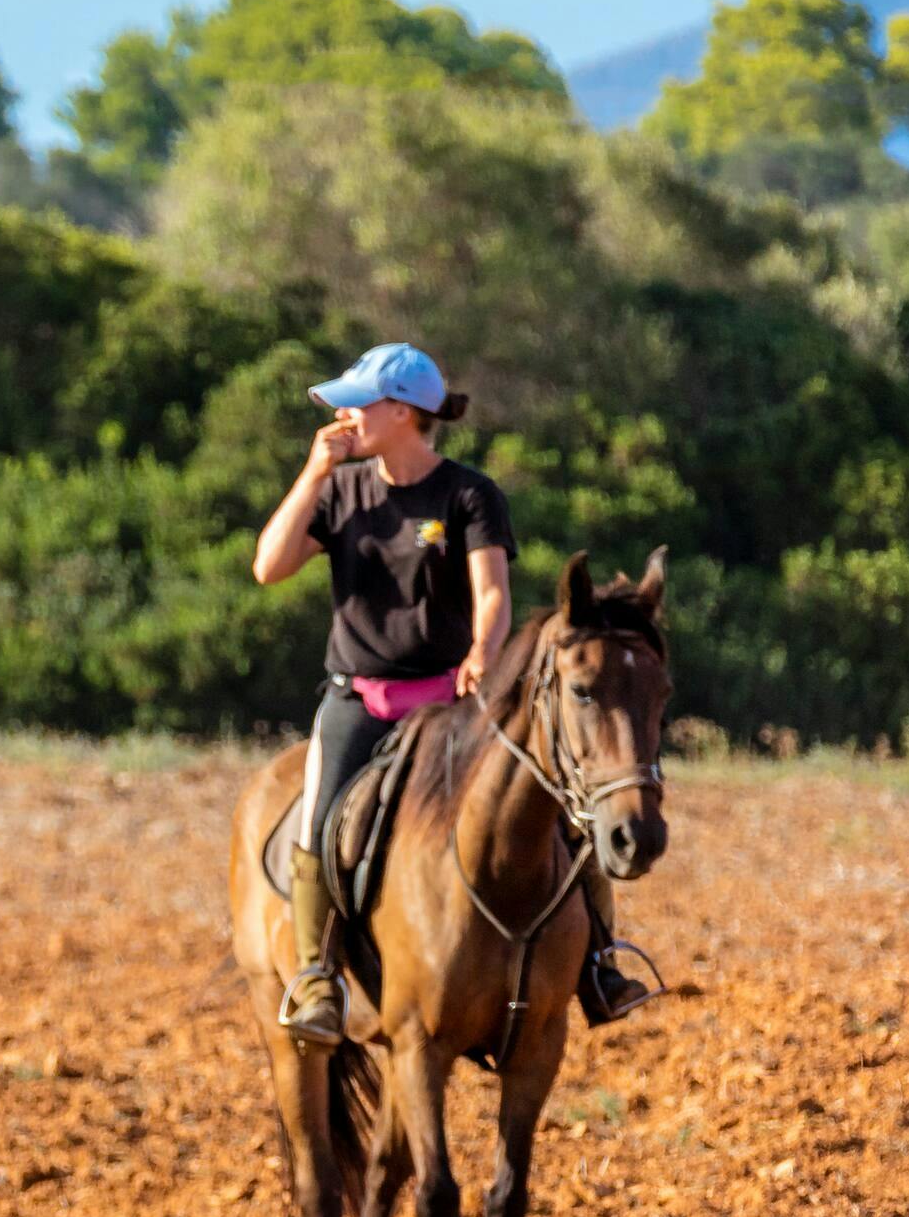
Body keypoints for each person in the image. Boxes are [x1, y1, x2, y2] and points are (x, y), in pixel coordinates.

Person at [249, 341, 649, 1038]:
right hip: (360, 702)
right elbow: (268, 566)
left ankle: (600, 965)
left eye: (356, 401)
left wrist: (481, 654)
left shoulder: (468, 495)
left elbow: (491, 592)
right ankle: (317, 978)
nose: (343, 414)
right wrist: (315, 470)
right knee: (318, 822)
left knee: (560, 815)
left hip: (453, 700)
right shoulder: (340, 492)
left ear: (400, 412)